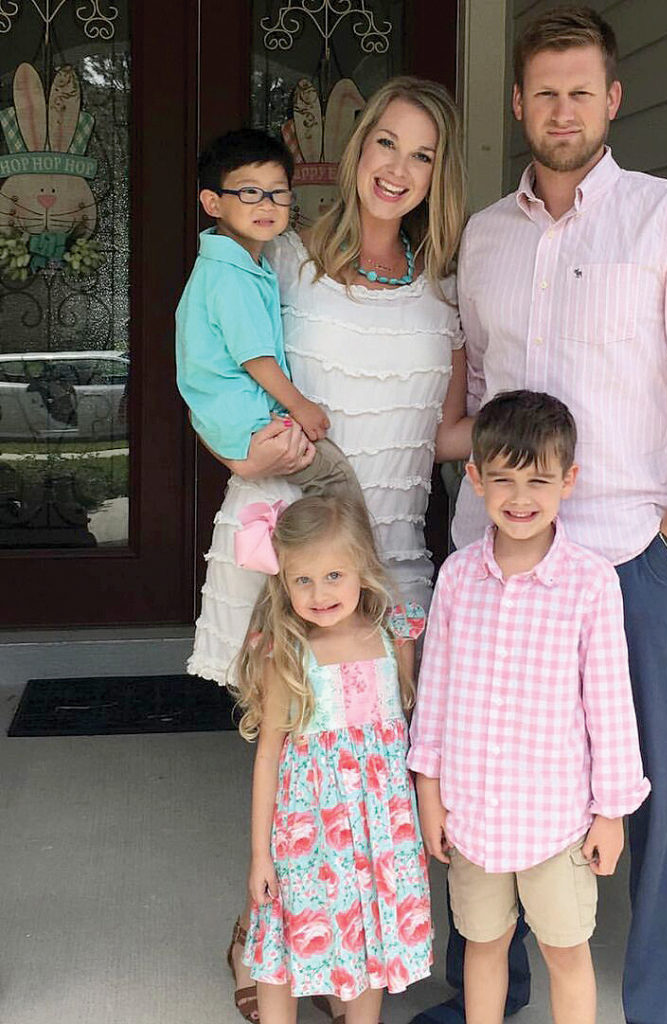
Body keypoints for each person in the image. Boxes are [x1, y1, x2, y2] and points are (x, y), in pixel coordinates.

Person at [424, 9, 667, 1024]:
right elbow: (480, 388)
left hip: (622, 556)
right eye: (543, 91)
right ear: (518, 103)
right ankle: (487, 991)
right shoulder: (485, 236)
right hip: (495, 561)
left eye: (581, 90)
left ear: (612, 99)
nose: (561, 108)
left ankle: (663, 1008)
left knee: (652, 789)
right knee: (489, 766)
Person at [183, 78, 467, 1023]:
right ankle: (260, 930)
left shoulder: (445, 288)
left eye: (420, 154)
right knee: (287, 749)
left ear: (439, 173)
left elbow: (440, 434)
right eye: (384, 143)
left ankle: (346, 949)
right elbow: (215, 360)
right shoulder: (284, 260)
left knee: (368, 771)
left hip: (387, 558)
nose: (397, 168)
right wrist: (233, 448)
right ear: (355, 150)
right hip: (287, 544)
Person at [409, 391, 649, 1024]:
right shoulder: (458, 578)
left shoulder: (591, 584)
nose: (520, 497)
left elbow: (610, 709)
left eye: (539, 479)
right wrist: (429, 795)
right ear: (475, 479)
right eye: (504, 479)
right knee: (482, 945)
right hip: (472, 817)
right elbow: (432, 697)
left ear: (568, 480)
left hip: (558, 823)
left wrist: (611, 814)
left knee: (565, 951)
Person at [233, 495, 432, 1024]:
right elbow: (270, 754)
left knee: (370, 937)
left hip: (380, 833)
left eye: (334, 575)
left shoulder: (395, 638)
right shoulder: (289, 654)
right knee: (288, 940)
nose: (319, 594)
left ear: (362, 569)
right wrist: (260, 854)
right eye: (303, 580)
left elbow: (411, 738)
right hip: (308, 833)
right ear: (283, 581)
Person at [175, 128, 360, 502]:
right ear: (213, 203)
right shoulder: (232, 276)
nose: (266, 204)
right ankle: (340, 560)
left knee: (292, 504)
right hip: (247, 419)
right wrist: (300, 406)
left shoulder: (234, 264)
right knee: (335, 483)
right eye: (249, 192)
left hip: (231, 416)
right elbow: (255, 358)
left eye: (278, 193)